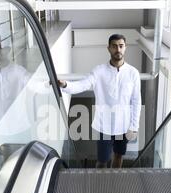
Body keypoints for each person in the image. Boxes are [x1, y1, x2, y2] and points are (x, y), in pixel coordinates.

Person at [58, 34, 141, 168]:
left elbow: (136, 101)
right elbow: (83, 84)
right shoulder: (99, 71)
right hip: (104, 126)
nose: (118, 49)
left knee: (119, 155)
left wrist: (134, 126)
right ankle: (99, 184)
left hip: (123, 125)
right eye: (114, 46)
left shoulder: (133, 73)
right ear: (108, 48)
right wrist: (65, 85)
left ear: (125, 48)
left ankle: (114, 181)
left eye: (121, 46)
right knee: (102, 160)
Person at [0, 39, 32, 134]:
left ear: (7, 50)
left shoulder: (18, 71)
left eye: (0, 47)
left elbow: (32, 82)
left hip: (19, 128)